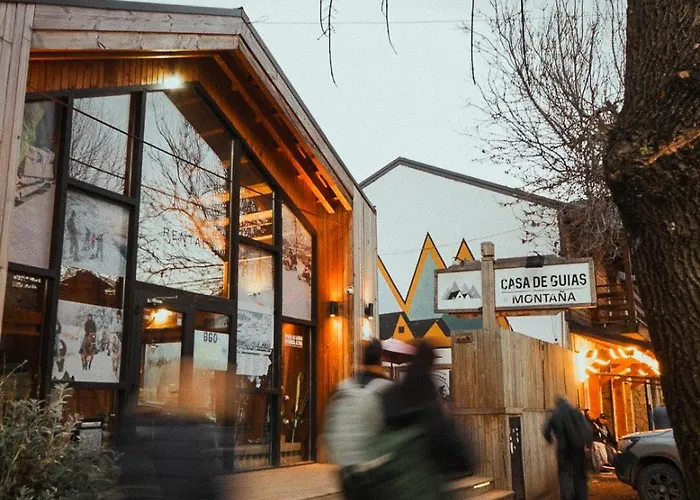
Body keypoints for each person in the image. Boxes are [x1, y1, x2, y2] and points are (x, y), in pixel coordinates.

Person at [377, 341, 473, 499]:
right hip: (425, 488)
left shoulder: (390, 396)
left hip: (393, 486)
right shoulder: (431, 404)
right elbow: (458, 455)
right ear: (430, 365)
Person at [324, 338, 393, 499]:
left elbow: (329, 429)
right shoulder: (386, 389)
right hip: (375, 472)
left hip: (347, 471)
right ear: (380, 359)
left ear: (362, 358)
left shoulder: (342, 388)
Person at [543, 395, 593, 500]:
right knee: (580, 475)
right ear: (567, 401)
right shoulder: (576, 412)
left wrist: (550, 440)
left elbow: (546, 430)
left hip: (563, 449)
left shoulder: (555, 414)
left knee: (565, 475)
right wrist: (588, 444)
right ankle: (581, 496)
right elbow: (587, 429)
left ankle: (568, 497)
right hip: (578, 448)